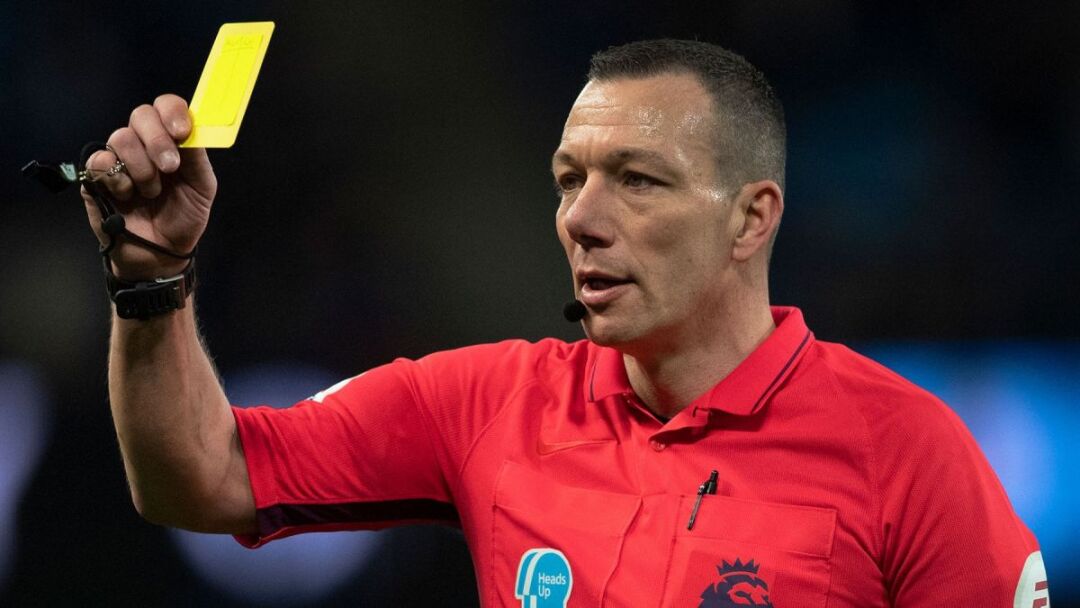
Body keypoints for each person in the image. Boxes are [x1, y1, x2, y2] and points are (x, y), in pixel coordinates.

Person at [82, 39, 1048, 607]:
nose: (582, 217)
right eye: (568, 179)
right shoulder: (483, 404)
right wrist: (151, 279)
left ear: (752, 218)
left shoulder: (907, 450)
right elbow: (202, 478)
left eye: (637, 179)